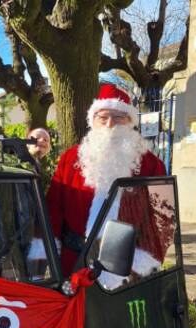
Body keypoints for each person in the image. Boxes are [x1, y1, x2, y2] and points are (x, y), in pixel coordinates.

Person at [44, 83, 167, 282]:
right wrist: (45, 252)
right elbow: (53, 208)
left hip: (128, 262)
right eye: (103, 117)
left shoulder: (151, 165)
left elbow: (162, 217)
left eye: (119, 117)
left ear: (130, 122)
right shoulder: (70, 158)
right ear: (93, 121)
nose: (110, 124)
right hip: (73, 261)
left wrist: (143, 259)